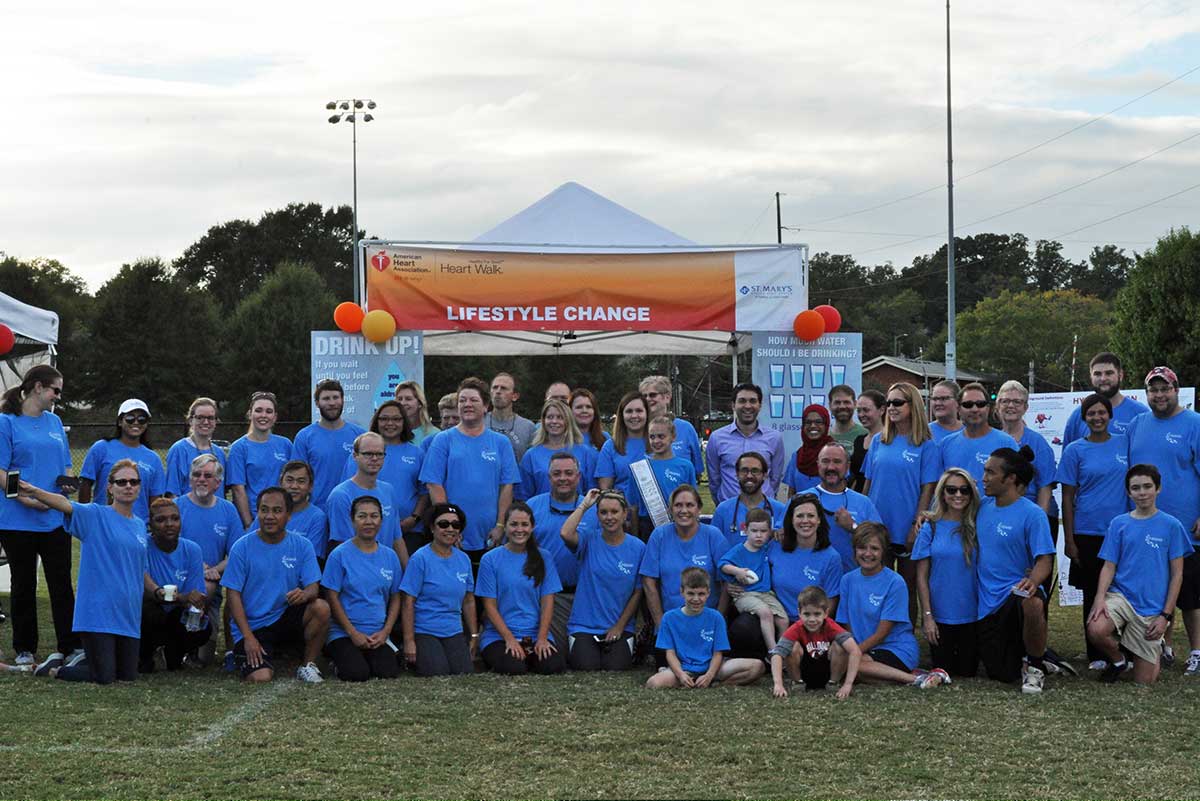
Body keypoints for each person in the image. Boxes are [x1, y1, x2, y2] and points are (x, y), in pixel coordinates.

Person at [20, 460, 148, 684]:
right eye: (121, 482)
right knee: (105, 678)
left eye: (133, 481)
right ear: (110, 487)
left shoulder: (139, 525)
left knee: (127, 677)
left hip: (127, 614)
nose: (128, 486)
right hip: (98, 613)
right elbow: (64, 504)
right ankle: (56, 668)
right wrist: (34, 491)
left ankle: (85, 659)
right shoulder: (95, 515)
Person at [0, 365, 80, 667]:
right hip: (16, 519)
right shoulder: (6, 422)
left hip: (53, 518)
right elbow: (1, 470)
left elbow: (67, 466)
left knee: (61, 583)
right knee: (23, 584)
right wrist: (25, 499)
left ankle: (70, 646)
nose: (57, 397)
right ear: (37, 387)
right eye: (54, 390)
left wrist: (67, 491)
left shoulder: (55, 422)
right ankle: (24, 648)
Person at [1087, 464, 1192, 684]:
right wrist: (1099, 599)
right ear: (1128, 492)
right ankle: (1119, 659)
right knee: (1096, 628)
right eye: (1136, 488)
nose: (1142, 492)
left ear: (1158, 489)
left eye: (1147, 486)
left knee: (1144, 682)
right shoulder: (1119, 524)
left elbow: (1177, 575)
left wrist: (1165, 616)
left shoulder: (1171, 526)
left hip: (1151, 608)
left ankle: (1153, 647)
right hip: (1121, 597)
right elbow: (1109, 566)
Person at [1125, 366, 1200, 674]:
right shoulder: (1137, 424)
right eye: (1153, 390)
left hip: (1185, 526)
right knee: (1156, 588)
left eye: (1164, 389)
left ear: (1176, 390)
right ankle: (1163, 647)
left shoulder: (1194, 423)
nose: (1159, 395)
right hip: (1146, 523)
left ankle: (1196, 651)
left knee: (1191, 594)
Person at [220, 486, 330, 683]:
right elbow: (233, 596)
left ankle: (308, 665)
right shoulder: (241, 547)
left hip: (283, 616)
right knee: (260, 677)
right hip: (253, 626)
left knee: (321, 608)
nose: (269, 516)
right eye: (264, 510)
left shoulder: (302, 545)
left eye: (277, 511)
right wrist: (248, 638)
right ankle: (245, 653)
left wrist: (304, 595)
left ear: (289, 515)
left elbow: (314, 587)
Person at [1056, 393, 1130, 670]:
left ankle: (1124, 648)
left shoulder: (1125, 444)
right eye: (1091, 414)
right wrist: (1070, 538)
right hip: (1087, 532)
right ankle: (1097, 654)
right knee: (1092, 592)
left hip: (1120, 531)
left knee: (1121, 590)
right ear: (1083, 418)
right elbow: (1067, 497)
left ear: (1110, 416)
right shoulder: (1075, 450)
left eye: (1102, 413)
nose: (1097, 418)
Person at [975, 447, 1056, 693]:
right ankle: (1043, 656)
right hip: (987, 605)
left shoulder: (1032, 514)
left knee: (1032, 601)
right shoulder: (980, 507)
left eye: (990, 472)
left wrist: (1032, 581)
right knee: (1002, 675)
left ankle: (1035, 667)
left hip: (1015, 594)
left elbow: (1045, 560)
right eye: (984, 471)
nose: (984, 478)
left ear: (1010, 479)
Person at [421, 377, 520, 569]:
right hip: (452, 537)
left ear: (486, 407)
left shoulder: (501, 442)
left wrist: (500, 525)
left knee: (488, 596)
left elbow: (507, 486)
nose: (467, 404)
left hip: (491, 536)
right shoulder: (443, 440)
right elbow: (434, 484)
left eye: (473, 400)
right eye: (462, 400)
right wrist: (449, 527)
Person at [862, 382, 941, 611]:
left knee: (908, 585)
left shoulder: (926, 445)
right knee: (877, 583)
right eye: (888, 403)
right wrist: (864, 519)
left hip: (907, 526)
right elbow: (869, 483)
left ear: (912, 405)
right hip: (878, 525)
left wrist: (916, 526)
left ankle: (905, 639)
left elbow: (928, 489)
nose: (892, 407)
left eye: (898, 402)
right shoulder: (879, 440)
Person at [837, 523, 942, 688]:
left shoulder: (895, 582)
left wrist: (854, 652)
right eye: (862, 548)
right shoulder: (847, 580)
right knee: (842, 665)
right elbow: (846, 623)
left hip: (895, 648)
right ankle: (904, 676)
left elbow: (882, 633)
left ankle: (915, 680)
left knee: (852, 666)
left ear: (883, 552)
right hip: (863, 649)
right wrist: (852, 649)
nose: (868, 554)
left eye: (874, 549)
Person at [560, 488, 645, 671]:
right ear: (597, 515)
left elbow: (638, 592)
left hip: (620, 627)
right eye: (603, 512)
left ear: (625, 515)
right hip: (584, 626)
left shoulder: (638, 548)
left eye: (614, 512)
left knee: (616, 666)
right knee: (586, 665)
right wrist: (584, 505)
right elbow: (566, 533)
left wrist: (619, 627)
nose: (609, 517)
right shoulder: (589, 539)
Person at [477, 502, 566, 675]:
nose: (520, 529)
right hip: (499, 636)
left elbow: (547, 603)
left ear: (532, 527)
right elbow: (489, 607)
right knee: (513, 667)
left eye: (525, 524)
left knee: (553, 666)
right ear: (506, 526)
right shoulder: (490, 559)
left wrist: (541, 638)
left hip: (534, 634)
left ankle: (531, 653)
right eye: (514, 524)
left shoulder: (544, 557)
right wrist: (510, 640)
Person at [322, 496, 403, 682]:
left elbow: (396, 596)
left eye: (374, 516)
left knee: (388, 673)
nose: (368, 521)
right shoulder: (339, 555)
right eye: (362, 516)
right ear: (352, 520)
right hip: (344, 633)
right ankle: (336, 661)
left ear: (381, 520)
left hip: (377, 634)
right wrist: (352, 633)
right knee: (356, 674)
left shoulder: (390, 556)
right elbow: (331, 597)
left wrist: (385, 632)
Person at [525, 452, 599, 652]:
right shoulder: (532, 507)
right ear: (549, 478)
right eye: (556, 474)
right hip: (546, 597)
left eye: (569, 473)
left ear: (578, 476)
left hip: (585, 596)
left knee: (580, 655)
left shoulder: (595, 510)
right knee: (554, 653)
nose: (563, 478)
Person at [640, 485, 728, 653]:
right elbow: (648, 581)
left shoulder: (713, 535)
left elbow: (726, 581)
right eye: (678, 505)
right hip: (671, 622)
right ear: (670, 509)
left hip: (707, 622)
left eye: (690, 505)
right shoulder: (659, 535)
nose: (684, 510)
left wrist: (719, 620)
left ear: (699, 508)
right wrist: (661, 625)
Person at [645, 567, 764, 689]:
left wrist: (709, 675)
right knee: (653, 683)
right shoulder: (669, 618)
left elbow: (718, 653)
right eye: (691, 593)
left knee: (757, 666)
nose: (696, 599)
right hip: (684, 668)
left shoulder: (716, 617)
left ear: (708, 592)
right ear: (682, 592)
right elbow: (670, 653)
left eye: (701, 594)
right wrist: (680, 674)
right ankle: (686, 680)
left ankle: (718, 684)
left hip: (713, 667)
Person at [175, 453, 243, 664]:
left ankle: (197, 643)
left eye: (207, 475)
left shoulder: (228, 510)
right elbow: (168, 547)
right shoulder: (176, 506)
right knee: (204, 585)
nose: (201, 479)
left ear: (218, 482)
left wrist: (216, 569)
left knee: (205, 660)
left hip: (211, 583)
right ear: (190, 478)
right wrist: (198, 566)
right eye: (197, 474)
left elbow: (236, 554)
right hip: (178, 579)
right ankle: (180, 643)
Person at [913, 468, 980, 677]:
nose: (958, 495)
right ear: (942, 493)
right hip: (940, 617)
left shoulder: (980, 524)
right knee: (944, 670)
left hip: (973, 616)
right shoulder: (930, 527)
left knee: (967, 672)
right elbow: (921, 577)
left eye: (964, 490)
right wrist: (928, 617)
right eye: (951, 490)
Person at [770, 585, 894, 698]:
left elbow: (855, 651)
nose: (812, 619)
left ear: (826, 613)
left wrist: (848, 684)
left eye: (817, 614)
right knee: (792, 647)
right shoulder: (796, 628)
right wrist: (778, 684)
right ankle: (797, 683)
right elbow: (777, 654)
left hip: (828, 672)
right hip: (805, 672)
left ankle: (833, 683)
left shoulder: (831, 626)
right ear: (799, 613)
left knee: (840, 646)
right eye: (807, 614)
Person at [399, 503, 478, 676]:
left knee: (464, 672)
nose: (450, 529)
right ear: (432, 528)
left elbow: (468, 600)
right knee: (437, 672)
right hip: (424, 630)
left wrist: (473, 636)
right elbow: (408, 602)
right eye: (443, 524)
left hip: (453, 630)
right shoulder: (420, 559)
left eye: (455, 525)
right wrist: (409, 641)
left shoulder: (464, 559)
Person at [342, 400, 426, 556]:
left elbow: (423, 492)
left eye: (396, 419)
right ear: (376, 421)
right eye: (384, 419)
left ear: (404, 422)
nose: (390, 423)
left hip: (409, 532)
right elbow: (350, 490)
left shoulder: (417, 453)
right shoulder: (359, 455)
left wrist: (414, 519)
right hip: (367, 529)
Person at [140, 498, 211, 672]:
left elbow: (195, 595)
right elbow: (145, 591)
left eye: (174, 518)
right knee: (150, 613)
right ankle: (148, 653)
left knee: (201, 625)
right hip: (149, 612)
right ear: (150, 524)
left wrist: (196, 603)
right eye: (161, 520)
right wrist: (182, 597)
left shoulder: (192, 549)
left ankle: (174, 655)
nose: (169, 524)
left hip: (176, 614)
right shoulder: (142, 547)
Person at [326, 432, 408, 566]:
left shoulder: (388, 490)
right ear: (355, 456)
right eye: (368, 454)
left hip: (386, 573)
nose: (374, 458)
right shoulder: (340, 496)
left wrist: (408, 577)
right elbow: (342, 546)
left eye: (379, 454)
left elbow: (397, 539)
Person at [79, 398, 165, 522]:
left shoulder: (153, 458)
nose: (136, 422)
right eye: (130, 418)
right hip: (104, 523)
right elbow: (86, 483)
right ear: (120, 421)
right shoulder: (102, 448)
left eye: (142, 419)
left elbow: (155, 498)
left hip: (139, 527)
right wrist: (85, 518)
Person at [767, 495, 844, 624]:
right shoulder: (776, 545)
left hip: (811, 625)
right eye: (799, 516)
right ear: (791, 520)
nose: (805, 521)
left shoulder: (831, 558)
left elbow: (831, 602)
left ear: (819, 519)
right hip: (775, 620)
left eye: (811, 516)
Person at [292, 379, 367, 510]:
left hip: (354, 510)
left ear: (343, 400)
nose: (332, 403)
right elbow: (297, 478)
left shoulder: (360, 435)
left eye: (335, 397)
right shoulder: (304, 437)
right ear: (317, 403)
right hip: (318, 509)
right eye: (326, 398)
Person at [704, 383, 785, 504]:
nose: (747, 406)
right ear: (733, 405)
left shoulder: (774, 438)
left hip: (764, 512)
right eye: (742, 401)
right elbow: (714, 480)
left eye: (753, 401)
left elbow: (775, 478)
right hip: (729, 510)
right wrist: (724, 505)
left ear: (760, 405)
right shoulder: (716, 438)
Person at [720, 509, 788, 650]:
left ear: (769, 531)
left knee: (783, 620)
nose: (758, 535)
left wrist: (776, 532)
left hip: (765, 594)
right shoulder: (739, 551)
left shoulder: (766, 548)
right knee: (765, 612)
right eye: (754, 530)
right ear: (745, 529)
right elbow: (722, 565)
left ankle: (782, 652)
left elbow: (777, 534)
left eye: (763, 531)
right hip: (744, 595)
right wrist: (737, 571)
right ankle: (772, 651)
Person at [811, 443, 882, 573]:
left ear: (847, 466)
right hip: (812, 580)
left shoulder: (863, 502)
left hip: (851, 581)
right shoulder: (802, 499)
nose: (831, 467)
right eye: (825, 461)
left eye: (837, 462)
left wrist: (853, 527)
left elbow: (881, 541)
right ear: (818, 465)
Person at [227, 391, 293, 528]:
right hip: (255, 518)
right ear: (250, 414)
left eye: (269, 411)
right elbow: (238, 489)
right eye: (258, 410)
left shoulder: (286, 445)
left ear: (275, 417)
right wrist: (249, 524)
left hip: (282, 518)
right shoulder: (239, 448)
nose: (263, 415)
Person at [996, 380, 1058, 522]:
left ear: (1025, 407)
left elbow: (1045, 487)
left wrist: (1037, 523)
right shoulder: (992, 440)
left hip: (1034, 514)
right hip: (1002, 515)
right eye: (1005, 401)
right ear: (997, 405)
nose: (1011, 405)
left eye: (1017, 402)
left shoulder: (1038, 443)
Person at [938, 383, 1018, 492]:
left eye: (980, 404)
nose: (975, 409)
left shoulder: (1007, 443)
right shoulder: (946, 444)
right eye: (968, 405)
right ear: (958, 409)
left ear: (988, 408)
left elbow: (1018, 487)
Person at [1062, 352, 1149, 446]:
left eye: (1109, 373)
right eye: (1097, 374)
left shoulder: (1140, 414)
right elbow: (1069, 457)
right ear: (1091, 377)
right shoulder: (1077, 416)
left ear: (1120, 375)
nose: (1103, 378)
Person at [518, 399, 597, 501]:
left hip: (578, 513)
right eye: (550, 417)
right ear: (543, 421)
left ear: (568, 421)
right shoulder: (531, 455)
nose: (554, 421)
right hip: (541, 514)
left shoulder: (585, 452)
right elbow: (524, 494)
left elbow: (592, 491)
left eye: (560, 417)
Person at [595, 390, 649, 533]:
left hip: (655, 514)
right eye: (629, 411)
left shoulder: (656, 442)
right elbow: (605, 489)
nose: (634, 416)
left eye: (639, 411)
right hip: (625, 518)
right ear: (621, 415)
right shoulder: (610, 446)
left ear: (647, 413)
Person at [709, 452, 787, 548]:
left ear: (765, 475)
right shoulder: (723, 510)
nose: (749, 476)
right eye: (744, 471)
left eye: (755, 471)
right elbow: (712, 546)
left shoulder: (780, 510)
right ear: (737, 474)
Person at [636, 414, 698, 530]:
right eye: (652, 437)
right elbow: (634, 506)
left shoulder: (685, 466)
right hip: (646, 525)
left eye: (661, 436)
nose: (656, 441)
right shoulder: (641, 468)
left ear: (673, 437)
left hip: (678, 523)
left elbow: (693, 501)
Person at [639, 375, 704, 478]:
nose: (647, 399)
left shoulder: (686, 429)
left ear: (667, 397)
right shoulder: (636, 429)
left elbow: (697, 470)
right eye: (644, 396)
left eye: (652, 395)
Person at [164, 397, 227, 498]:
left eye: (210, 418)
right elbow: (172, 494)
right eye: (200, 417)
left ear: (216, 421)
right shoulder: (179, 450)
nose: (206, 422)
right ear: (190, 420)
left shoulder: (219, 454)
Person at [269, 460, 330, 563]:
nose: (294, 486)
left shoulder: (317, 518)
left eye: (301, 481)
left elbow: (311, 560)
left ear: (310, 486)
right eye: (289, 480)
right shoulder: (268, 513)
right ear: (280, 483)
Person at [781, 404, 833, 497]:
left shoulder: (835, 453)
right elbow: (791, 493)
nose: (813, 426)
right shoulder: (797, 457)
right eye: (808, 422)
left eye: (818, 422)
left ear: (826, 425)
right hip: (802, 509)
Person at [485, 372, 536, 462]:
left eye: (503, 388)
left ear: (515, 396)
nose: (498, 391)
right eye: (495, 387)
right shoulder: (479, 423)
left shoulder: (528, 427)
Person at [849, 389, 885, 492]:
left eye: (866, 410)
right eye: (859, 410)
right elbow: (856, 477)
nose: (861, 415)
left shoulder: (891, 441)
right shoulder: (859, 440)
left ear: (881, 410)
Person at [569, 388, 610, 463]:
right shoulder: (563, 438)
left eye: (588, 407)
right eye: (579, 407)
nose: (584, 411)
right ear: (570, 411)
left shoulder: (605, 438)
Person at [394, 380, 440, 445]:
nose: (402, 403)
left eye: (408, 399)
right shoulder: (390, 432)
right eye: (399, 399)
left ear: (420, 403)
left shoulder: (434, 434)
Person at [828, 384, 868, 460]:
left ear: (855, 404)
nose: (842, 406)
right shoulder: (825, 437)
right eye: (837, 402)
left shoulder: (866, 435)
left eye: (846, 402)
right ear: (830, 405)